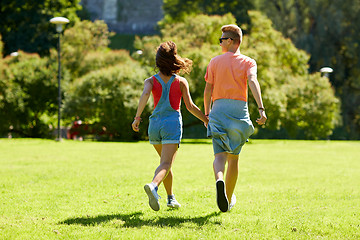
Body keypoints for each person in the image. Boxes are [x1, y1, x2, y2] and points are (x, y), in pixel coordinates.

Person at [132, 41, 208, 211]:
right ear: (174, 60)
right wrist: (206, 119)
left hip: (154, 125)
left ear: (158, 61)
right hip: (171, 124)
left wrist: (137, 118)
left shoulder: (150, 81)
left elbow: (145, 95)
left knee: (164, 163)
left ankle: (170, 198)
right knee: (166, 163)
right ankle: (153, 186)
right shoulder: (181, 82)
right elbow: (190, 107)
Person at [204, 24, 267, 212]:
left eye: (222, 39)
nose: (220, 42)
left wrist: (207, 114)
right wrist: (261, 108)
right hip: (239, 111)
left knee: (219, 155)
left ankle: (219, 180)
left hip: (218, 109)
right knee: (234, 159)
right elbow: (253, 81)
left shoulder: (214, 62)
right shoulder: (249, 62)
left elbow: (208, 90)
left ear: (230, 41)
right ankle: (228, 199)